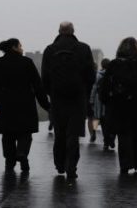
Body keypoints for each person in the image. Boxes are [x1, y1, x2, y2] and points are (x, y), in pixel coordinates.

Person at [41, 21, 96, 181]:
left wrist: (50, 93)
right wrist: (84, 92)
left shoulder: (50, 50)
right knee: (73, 134)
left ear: (59, 31)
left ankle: (59, 164)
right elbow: (90, 76)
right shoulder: (83, 48)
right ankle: (71, 165)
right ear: (73, 31)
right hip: (77, 98)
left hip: (58, 99)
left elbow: (44, 77)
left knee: (60, 133)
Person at [0, 38, 50, 172]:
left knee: (8, 135)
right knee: (25, 133)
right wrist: (46, 105)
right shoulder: (27, 62)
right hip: (25, 103)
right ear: (14, 47)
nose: (22, 49)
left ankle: (9, 161)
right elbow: (37, 86)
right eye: (20, 46)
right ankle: (22, 153)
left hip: (5, 104)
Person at [99, 37, 137, 175]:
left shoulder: (114, 65)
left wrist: (106, 101)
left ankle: (125, 164)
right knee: (136, 134)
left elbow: (104, 87)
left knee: (123, 135)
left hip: (118, 106)